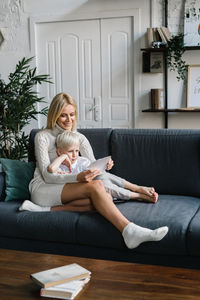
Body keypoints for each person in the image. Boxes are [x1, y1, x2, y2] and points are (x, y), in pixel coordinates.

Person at [19, 92, 168, 249]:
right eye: (63, 116)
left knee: (103, 198)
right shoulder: (43, 136)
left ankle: (44, 210)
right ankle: (129, 230)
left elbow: (94, 168)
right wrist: (78, 177)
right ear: (54, 116)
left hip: (68, 187)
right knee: (97, 188)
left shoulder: (79, 138)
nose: (69, 120)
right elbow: (48, 176)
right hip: (44, 188)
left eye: (72, 115)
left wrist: (103, 167)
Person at [48, 131, 159, 202]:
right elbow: (51, 169)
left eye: (77, 151)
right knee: (101, 183)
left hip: (97, 184)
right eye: (70, 151)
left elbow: (95, 170)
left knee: (102, 175)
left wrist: (105, 166)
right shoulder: (58, 167)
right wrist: (62, 157)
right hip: (80, 191)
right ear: (59, 151)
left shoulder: (82, 161)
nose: (74, 155)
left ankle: (137, 188)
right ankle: (138, 195)